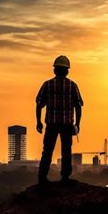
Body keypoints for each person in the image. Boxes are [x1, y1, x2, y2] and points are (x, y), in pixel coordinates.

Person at [36, 55, 84, 184]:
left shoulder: (48, 85)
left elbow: (39, 104)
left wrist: (38, 122)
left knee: (47, 151)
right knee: (66, 152)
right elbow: (78, 107)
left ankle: (42, 177)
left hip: (51, 124)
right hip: (67, 125)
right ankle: (65, 177)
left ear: (55, 70)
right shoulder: (72, 85)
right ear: (67, 71)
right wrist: (77, 124)